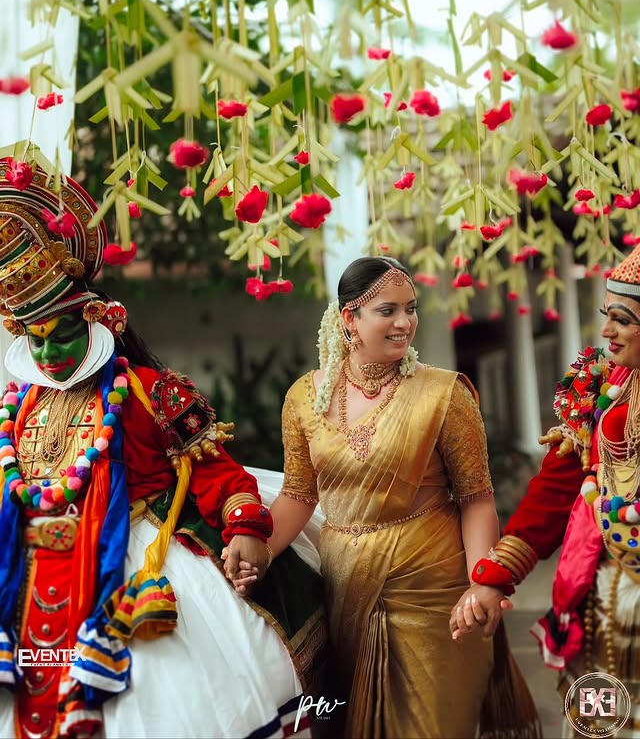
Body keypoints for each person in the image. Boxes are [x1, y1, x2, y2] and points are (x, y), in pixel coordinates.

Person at [0, 150, 326, 739]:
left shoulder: (149, 392)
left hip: (138, 558)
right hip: (38, 568)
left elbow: (218, 475)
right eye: (35, 343)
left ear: (97, 320)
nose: (48, 357)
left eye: (61, 338)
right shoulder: (18, 407)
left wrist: (245, 527)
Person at [232, 254, 506, 738]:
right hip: (346, 588)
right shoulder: (303, 398)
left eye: (411, 308)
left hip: (434, 593)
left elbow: (476, 498)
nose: (405, 322)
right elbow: (299, 495)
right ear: (349, 320)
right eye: (387, 310)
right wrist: (261, 553)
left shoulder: (443, 394)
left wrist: (481, 581)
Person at [452, 241, 640, 736]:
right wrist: (494, 578)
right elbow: (555, 491)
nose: (606, 331)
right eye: (607, 315)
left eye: (622, 318)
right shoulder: (600, 386)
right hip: (603, 597)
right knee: (604, 722)